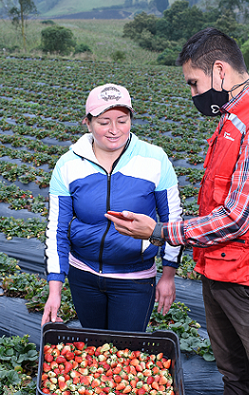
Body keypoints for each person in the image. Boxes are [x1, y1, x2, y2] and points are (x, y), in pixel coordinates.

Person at [107, 28, 249, 395]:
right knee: (235, 375)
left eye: (194, 83)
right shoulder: (235, 116)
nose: (194, 94)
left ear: (220, 72)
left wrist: (159, 231)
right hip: (224, 267)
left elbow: (236, 217)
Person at [41, 83, 183, 332]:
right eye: (104, 121)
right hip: (83, 276)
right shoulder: (68, 165)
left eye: (122, 120)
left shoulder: (154, 160)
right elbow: (57, 229)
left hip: (134, 279)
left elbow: (172, 219)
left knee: (124, 353)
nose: (114, 130)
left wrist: (168, 275)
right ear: (88, 122)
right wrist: (55, 288)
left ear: (131, 119)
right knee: (96, 348)